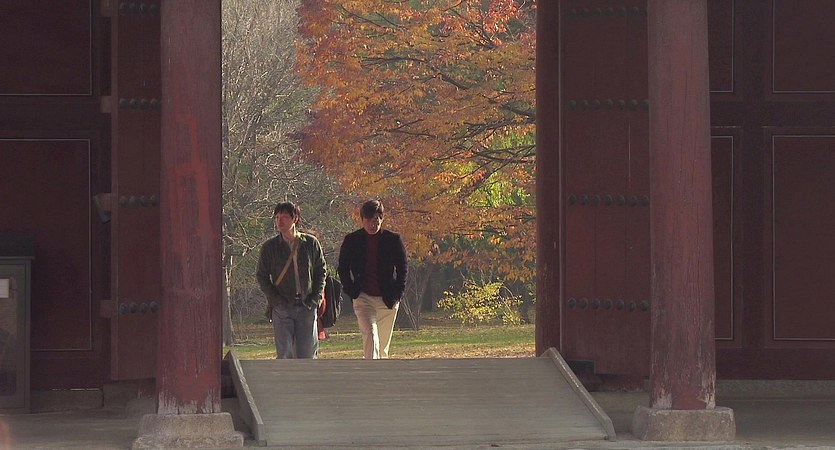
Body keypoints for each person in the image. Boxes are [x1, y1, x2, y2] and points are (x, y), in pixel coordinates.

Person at [338, 199, 408, 359]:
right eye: (368, 220)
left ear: (381, 219)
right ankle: (370, 372)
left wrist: (398, 294)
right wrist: (351, 290)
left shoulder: (393, 240)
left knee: (382, 348)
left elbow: (402, 268)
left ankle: (381, 374)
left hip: (387, 299)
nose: (372, 224)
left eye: (376, 219)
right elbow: (343, 268)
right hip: (363, 297)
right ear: (362, 220)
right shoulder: (352, 240)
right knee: (370, 336)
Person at [256, 201, 326, 359]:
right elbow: (262, 276)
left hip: (307, 304)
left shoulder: (310, 243)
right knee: (284, 355)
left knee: (307, 354)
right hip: (282, 306)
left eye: (284, 217)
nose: (279, 221)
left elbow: (320, 271)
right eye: (277, 217)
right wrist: (276, 300)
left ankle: (306, 377)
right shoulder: (270, 247)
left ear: (295, 219)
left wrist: (315, 298)